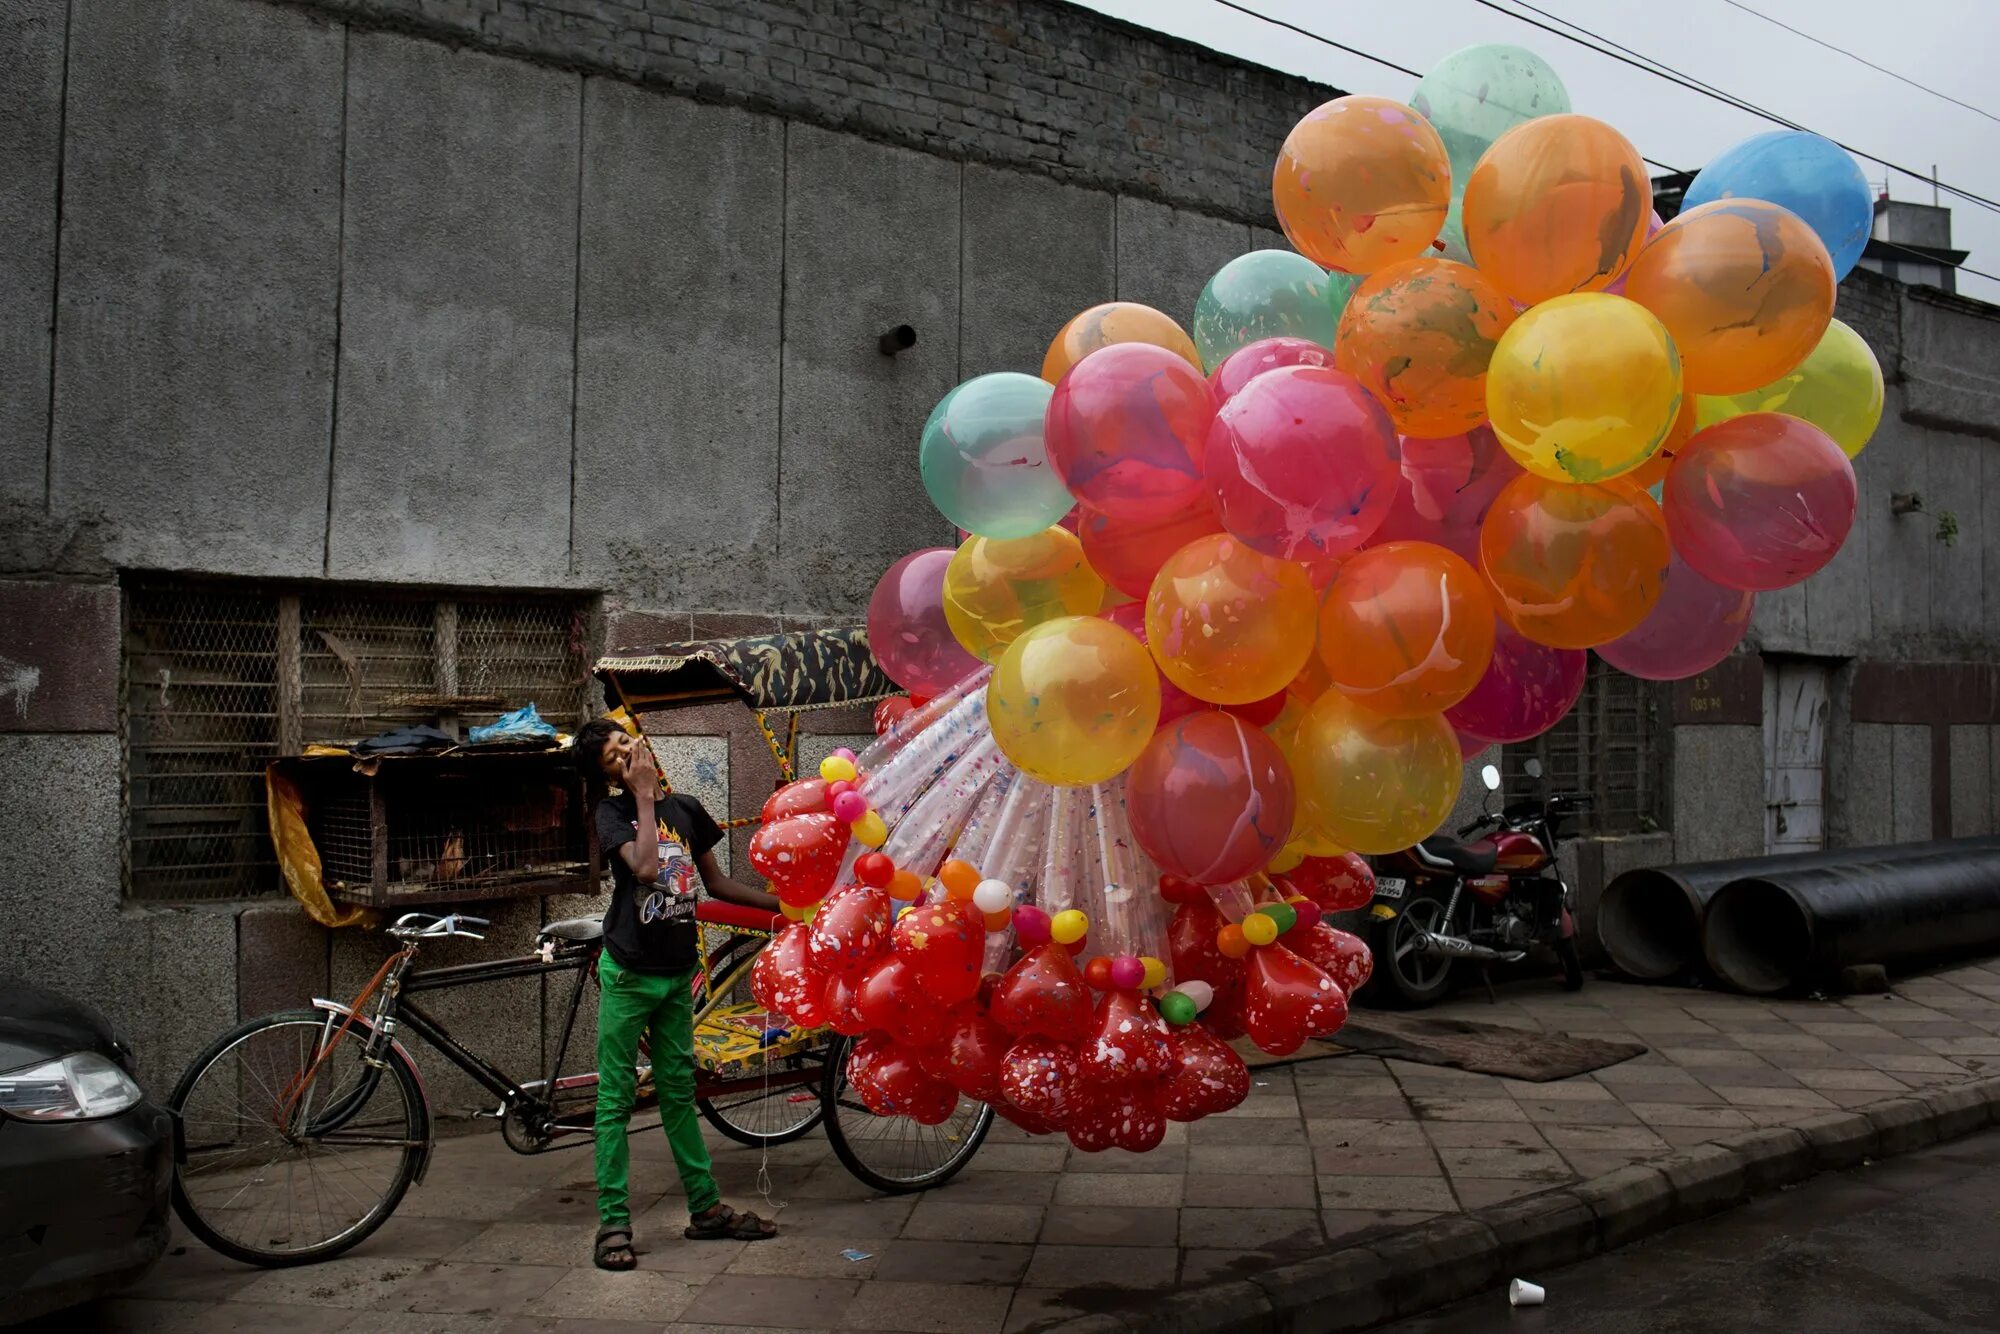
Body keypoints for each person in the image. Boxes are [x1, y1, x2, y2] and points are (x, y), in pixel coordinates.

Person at [574, 717, 781, 1271]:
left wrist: (783, 911)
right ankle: (614, 1221)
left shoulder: (686, 808)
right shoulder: (614, 813)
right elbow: (644, 868)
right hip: (630, 972)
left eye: (625, 743)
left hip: (675, 974)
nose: (625, 754)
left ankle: (706, 1209)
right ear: (612, 778)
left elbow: (717, 885)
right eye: (613, 759)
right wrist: (641, 797)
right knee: (616, 1098)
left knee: (679, 1093)